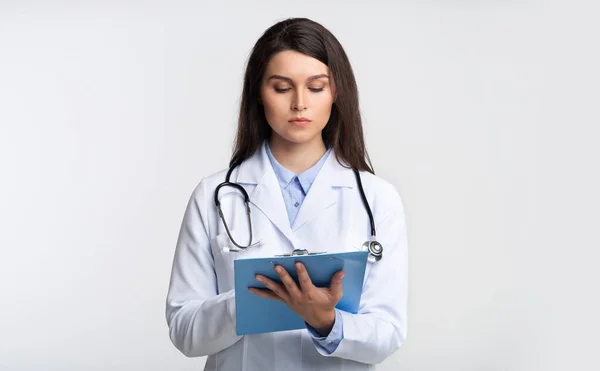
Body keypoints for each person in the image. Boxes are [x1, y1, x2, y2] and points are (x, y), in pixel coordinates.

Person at [165, 17, 408, 370]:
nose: (299, 104)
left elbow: (388, 333)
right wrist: (250, 302)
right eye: (282, 88)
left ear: (336, 93)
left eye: (316, 87)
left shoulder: (377, 199)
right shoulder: (214, 196)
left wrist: (327, 321)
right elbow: (185, 330)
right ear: (258, 94)